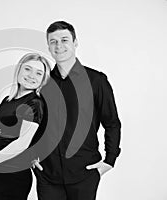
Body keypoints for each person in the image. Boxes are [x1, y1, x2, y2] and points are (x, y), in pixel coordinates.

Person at [30, 21, 122, 200]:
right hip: (47, 174)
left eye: (64, 40)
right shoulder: (43, 83)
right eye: (53, 41)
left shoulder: (96, 81)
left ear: (75, 43)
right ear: (48, 46)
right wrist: (32, 155)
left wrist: (109, 160)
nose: (59, 45)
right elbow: (37, 124)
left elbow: (111, 123)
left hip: (84, 173)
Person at [0, 53, 51, 200]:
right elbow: (1, 127)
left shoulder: (34, 104)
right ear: (19, 70)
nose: (31, 76)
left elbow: (23, 142)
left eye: (38, 73)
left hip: (11, 174)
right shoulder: (8, 99)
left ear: (43, 80)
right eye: (28, 69)